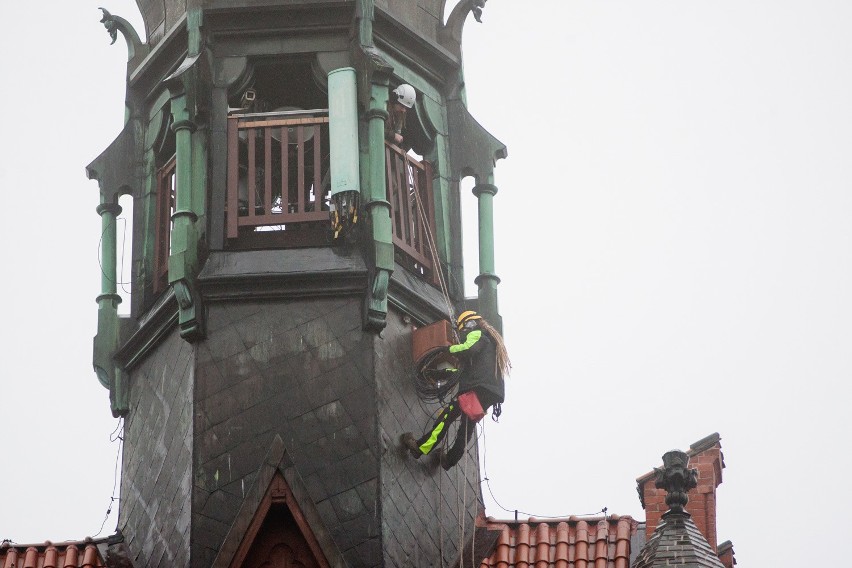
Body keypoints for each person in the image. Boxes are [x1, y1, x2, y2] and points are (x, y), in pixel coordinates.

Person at [401, 310, 511, 470]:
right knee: (467, 427)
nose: (462, 334)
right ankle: (450, 460)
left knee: (447, 416)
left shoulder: (478, 334)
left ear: (469, 324)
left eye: (462, 330)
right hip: (489, 393)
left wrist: (447, 349)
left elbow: (468, 349)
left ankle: (420, 447)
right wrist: (440, 373)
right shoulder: (491, 347)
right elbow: (464, 372)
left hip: (476, 388)